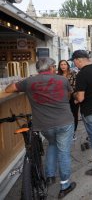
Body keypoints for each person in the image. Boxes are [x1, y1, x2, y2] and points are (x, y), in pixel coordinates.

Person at [6, 58, 76, 198]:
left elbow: (9, 89)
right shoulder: (62, 80)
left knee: (52, 144)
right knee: (63, 153)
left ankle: (50, 176)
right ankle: (64, 186)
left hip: (44, 125)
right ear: (51, 67)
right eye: (54, 66)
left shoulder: (29, 81)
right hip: (64, 122)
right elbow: (68, 96)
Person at [57, 60, 79, 140]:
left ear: (67, 65)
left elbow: (76, 85)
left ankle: (73, 132)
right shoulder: (58, 75)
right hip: (62, 98)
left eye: (64, 64)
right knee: (64, 116)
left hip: (73, 97)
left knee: (74, 115)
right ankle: (66, 132)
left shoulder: (73, 73)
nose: (63, 66)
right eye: (61, 64)